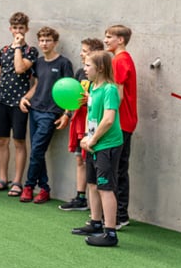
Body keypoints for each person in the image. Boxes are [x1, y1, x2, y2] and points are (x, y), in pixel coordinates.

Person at [71, 50, 123, 247]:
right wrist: (86, 136)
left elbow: (109, 119)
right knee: (92, 184)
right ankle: (95, 222)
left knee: (105, 188)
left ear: (100, 68)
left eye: (87, 65)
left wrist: (92, 141)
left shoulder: (110, 89)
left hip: (107, 145)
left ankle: (110, 233)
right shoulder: (92, 87)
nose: (84, 69)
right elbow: (91, 114)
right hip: (94, 143)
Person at [18, 26, 74, 204]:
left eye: (48, 40)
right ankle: (44, 188)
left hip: (51, 114)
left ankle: (28, 186)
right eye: (41, 40)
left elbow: (71, 91)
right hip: (34, 110)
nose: (44, 43)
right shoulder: (39, 62)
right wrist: (24, 98)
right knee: (38, 151)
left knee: (36, 151)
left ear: (55, 42)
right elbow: (37, 85)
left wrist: (67, 114)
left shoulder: (64, 63)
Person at [0, 12, 37, 198]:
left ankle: (17, 181)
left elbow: (20, 68)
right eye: (15, 28)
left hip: (19, 103)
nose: (18, 31)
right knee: (2, 140)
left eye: (21, 28)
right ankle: (2, 178)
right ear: (10, 29)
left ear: (26, 30)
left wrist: (17, 46)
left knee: (19, 141)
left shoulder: (31, 51)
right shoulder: (4, 50)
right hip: (2, 101)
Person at [59, 37, 104, 211]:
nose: (81, 53)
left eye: (85, 51)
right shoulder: (80, 73)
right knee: (79, 159)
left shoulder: (101, 79)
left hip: (93, 123)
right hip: (79, 122)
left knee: (91, 161)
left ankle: (96, 206)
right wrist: (66, 114)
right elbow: (72, 96)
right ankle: (80, 197)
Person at [104, 24, 137, 229]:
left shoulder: (120, 60)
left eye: (109, 37)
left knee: (115, 170)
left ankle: (117, 215)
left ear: (121, 40)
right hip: (125, 122)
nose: (106, 40)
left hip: (120, 123)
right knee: (120, 169)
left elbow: (118, 95)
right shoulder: (123, 59)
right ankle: (120, 214)